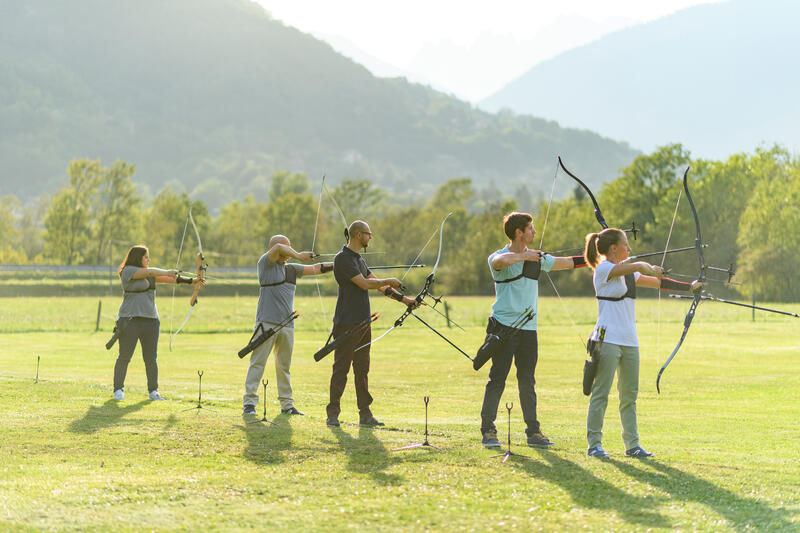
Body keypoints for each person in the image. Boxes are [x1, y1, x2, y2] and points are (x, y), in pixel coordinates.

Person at [584, 227, 702, 458]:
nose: (629, 248)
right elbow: (636, 266)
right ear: (613, 248)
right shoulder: (604, 269)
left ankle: (632, 445)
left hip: (629, 340)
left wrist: (690, 286)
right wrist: (642, 265)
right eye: (626, 244)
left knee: (629, 395)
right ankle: (594, 445)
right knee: (601, 393)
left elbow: (657, 283)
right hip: (607, 338)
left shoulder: (628, 272)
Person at [481, 211, 587, 448]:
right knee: (497, 379)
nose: (534, 232)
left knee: (527, 379)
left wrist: (594, 256)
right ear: (519, 232)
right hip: (504, 328)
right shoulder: (497, 257)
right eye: (530, 228)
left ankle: (533, 432)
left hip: (529, 329)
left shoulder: (537, 258)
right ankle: (488, 430)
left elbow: (567, 263)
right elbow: (501, 262)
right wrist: (526, 256)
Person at [325, 220, 419, 428]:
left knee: (362, 369)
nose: (370, 237)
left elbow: (380, 286)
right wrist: (390, 280)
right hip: (346, 323)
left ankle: (365, 415)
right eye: (369, 234)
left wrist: (405, 300)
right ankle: (333, 415)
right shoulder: (342, 259)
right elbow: (365, 284)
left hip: (363, 323)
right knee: (341, 369)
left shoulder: (359, 259)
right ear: (359, 235)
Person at [242, 235, 333, 416]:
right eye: (286, 248)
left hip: (287, 326)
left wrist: (339, 262)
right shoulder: (265, 263)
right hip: (266, 323)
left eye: (289, 248)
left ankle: (287, 406)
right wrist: (299, 254)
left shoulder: (292, 269)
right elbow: (277, 249)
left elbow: (315, 268)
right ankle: (249, 404)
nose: (287, 252)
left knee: (284, 366)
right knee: (258, 363)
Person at [113, 245, 203, 400]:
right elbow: (150, 272)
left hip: (151, 321)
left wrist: (194, 281)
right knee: (124, 356)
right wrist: (167, 271)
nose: (149, 260)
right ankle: (118, 390)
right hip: (129, 320)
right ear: (137, 258)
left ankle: (153, 391)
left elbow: (171, 279)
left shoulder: (150, 274)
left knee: (151, 358)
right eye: (146, 257)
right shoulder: (128, 271)